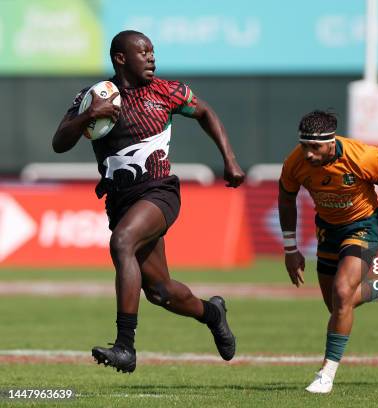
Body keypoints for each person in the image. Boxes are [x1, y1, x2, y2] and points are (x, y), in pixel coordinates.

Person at [52, 30, 244, 373]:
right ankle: (213, 313)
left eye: (153, 51)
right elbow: (59, 142)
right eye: (144, 52)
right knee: (160, 292)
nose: (152, 57)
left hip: (159, 191)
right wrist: (87, 116)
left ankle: (125, 347)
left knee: (122, 241)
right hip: (121, 201)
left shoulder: (166, 91)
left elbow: (204, 112)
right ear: (120, 58)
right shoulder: (94, 96)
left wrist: (229, 158)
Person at [278, 110, 378, 394]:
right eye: (304, 146)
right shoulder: (295, 162)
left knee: (342, 294)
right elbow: (286, 198)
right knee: (338, 305)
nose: (309, 154)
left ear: (331, 143)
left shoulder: (362, 156)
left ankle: (326, 373)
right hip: (327, 229)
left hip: (364, 226)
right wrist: (291, 248)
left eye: (315, 147)